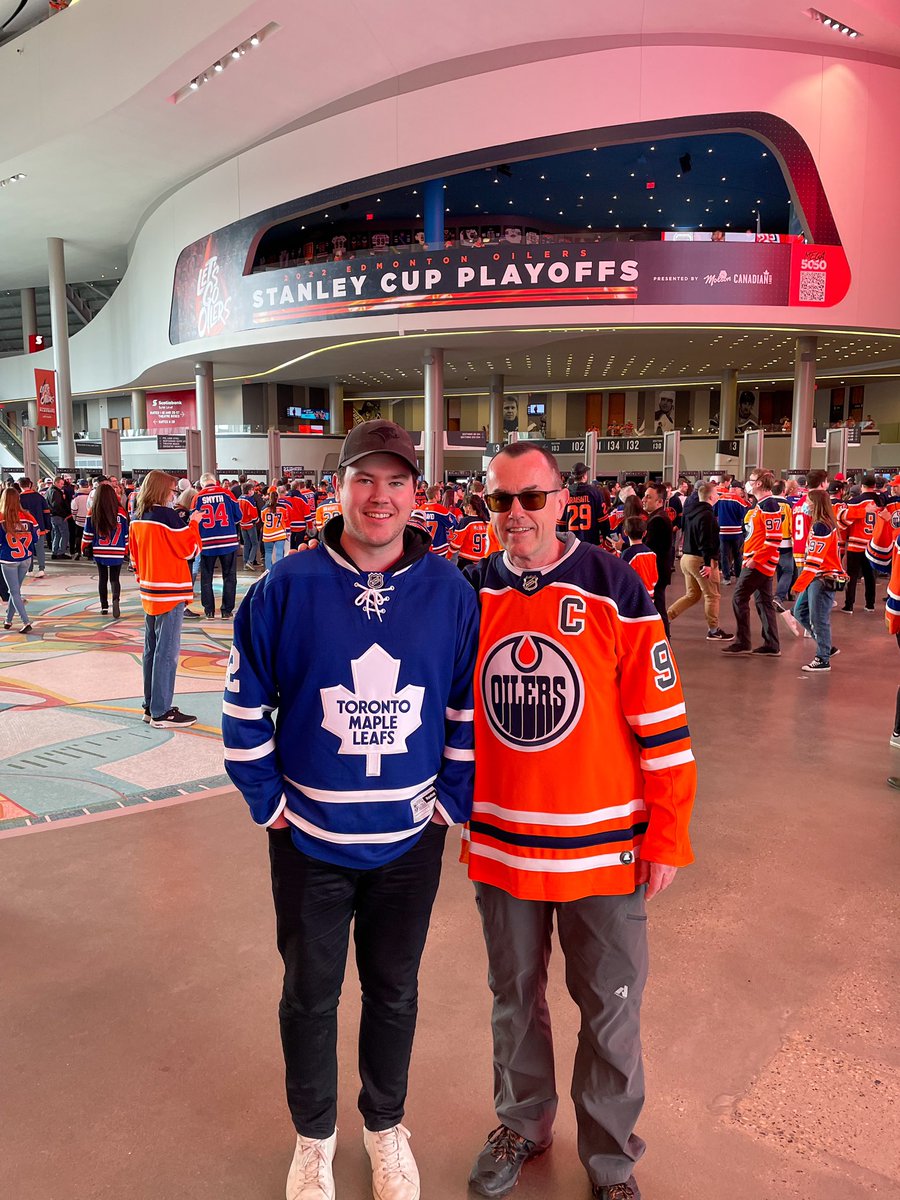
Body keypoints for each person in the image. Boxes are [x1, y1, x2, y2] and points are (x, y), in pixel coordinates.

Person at [222, 420, 479, 1200]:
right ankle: (314, 1140)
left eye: (396, 481)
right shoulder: (287, 586)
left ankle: (384, 1128)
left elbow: (465, 708)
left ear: (416, 494)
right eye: (365, 478)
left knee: (395, 991)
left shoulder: (449, 592)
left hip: (409, 842)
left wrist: (453, 804)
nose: (380, 496)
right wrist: (269, 805)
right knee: (309, 994)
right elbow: (241, 706)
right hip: (310, 843)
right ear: (337, 488)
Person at [464, 442, 695, 1200]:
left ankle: (609, 1159)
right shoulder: (470, 593)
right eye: (502, 501)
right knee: (514, 1000)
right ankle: (523, 1123)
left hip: (604, 850)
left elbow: (661, 723)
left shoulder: (613, 585)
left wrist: (665, 831)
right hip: (503, 846)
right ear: (486, 507)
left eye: (532, 498)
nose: (517, 515)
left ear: (564, 500)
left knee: (612, 1010)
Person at [130, 470, 202, 728]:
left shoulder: (137, 517)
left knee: (151, 650)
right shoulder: (168, 517)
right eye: (173, 492)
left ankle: (150, 706)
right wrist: (193, 523)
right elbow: (190, 549)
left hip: (149, 589)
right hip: (170, 590)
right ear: (163, 490)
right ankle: (161, 711)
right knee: (167, 652)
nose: (175, 496)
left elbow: (134, 558)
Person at [722, 469, 783, 657]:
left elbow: (774, 539)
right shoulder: (760, 505)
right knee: (763, 601)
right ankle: (771, 643)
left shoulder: (769, 506)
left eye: (751, 480)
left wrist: (755, 559)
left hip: (759, 562)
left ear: (758, 484)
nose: (748, 483)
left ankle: (743, 641)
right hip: (756, 559)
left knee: (739, 597)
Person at [667, 481, 733, 640]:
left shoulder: (690, 511)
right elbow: (707, 541)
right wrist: (709, 563)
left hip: (686, 558)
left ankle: (665, 617)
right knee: (712, 595)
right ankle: (714, 630)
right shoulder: (708, 515)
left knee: (693, 595)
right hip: (700, 560)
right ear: (710, 496)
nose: (718, 495)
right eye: (716, 493)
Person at [792, 490, 843, 672]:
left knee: (818, 618)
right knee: (799, 612)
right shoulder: (823, 524)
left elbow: (814, 560)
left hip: (821, 578)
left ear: (815, 504)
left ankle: (823, 658)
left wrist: (798, 585)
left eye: (808, 500)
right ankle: (826, 646)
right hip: (817, 576)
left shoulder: (821, 527)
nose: (805, 504)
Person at [191, 472, 243, 620]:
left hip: (207, 542)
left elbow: (193, 521)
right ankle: (227, 610)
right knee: (230, 576)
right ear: (215, 482)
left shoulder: (197, 498)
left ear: (202, 484)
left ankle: (209, 611)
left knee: (206, 578)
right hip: (228, 541)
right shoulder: (227, 494)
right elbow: (238, 516)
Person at [81, 481, 128, 618]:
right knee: (115, 578)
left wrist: (84, 547)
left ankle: (104, 606)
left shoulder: (93, 512)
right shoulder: (121, 512)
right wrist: (126, 549)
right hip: (117, 550)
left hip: (99, 550)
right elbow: (125, 533)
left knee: (102, 578)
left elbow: (87, 534)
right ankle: (116, 600)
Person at [839, 473, 879, 614]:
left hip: (856, 544)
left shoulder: (854, 502)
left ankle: (849, 605)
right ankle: (870, 604)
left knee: (852, 575)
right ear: (874, 486)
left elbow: (843, 522)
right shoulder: (881, 502)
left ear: (862, 486)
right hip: (874, 545)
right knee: (870, 576)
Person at [0, 485, 37, 633]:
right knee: (15, 590)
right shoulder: (28, 517)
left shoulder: (2, 517)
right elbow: (35, 538)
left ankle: (26, 621)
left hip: (8, 559)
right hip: (26, 558)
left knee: (14, 592)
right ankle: (8, 620)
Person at [641, 483, 674, 634]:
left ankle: (664, 640)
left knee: (658, 609)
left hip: (657, 572)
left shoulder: (658, 521)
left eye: (649, 497)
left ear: (659, 501)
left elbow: (649, 549)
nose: (644, 499)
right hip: (658, 571)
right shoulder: (657, 518)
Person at [561, 462, 606, 544]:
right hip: (591, 543)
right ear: (585, 475)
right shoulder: (595, 493)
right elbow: (603, 520)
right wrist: (606, 538)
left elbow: (560, 523)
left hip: (570, 544)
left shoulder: (564, 494)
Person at [412, 484, 457, 557]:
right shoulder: (441, 510)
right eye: (439, 494)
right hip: (439, 546)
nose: (440, 496)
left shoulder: (420, 509)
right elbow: (452, 525)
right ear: (436, 496)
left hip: (425, 546)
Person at [17, 477, 50, 578]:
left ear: (19, 485)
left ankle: (29, 569)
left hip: (24, 528)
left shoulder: (19, 498)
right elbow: (46, 512)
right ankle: (41, 569)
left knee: (27, 548)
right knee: (40, 549)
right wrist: (47, 526)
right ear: (30, 484)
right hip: (40, 527)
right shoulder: (39, 497)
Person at [620, 514, 657, 596]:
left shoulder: (627, 553)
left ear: (625, 532)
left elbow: (623, 577)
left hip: (635, 595)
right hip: (650, 594)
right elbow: (655, 576)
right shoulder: (652, 553)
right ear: (645, 533)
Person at [261, 488, 290, 571]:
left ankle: (268, 571)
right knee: (279, 552)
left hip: (267, 534)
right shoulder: (283, 507)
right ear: (278, 498)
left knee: (268, 553)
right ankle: (278, 571)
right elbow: (286, 518)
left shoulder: (264, 509)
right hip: (280, 533)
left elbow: (263, 520)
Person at [47, 474, 71, 558]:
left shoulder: (50, 490)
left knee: (57, 534)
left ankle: (55, 551)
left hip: (53, 516)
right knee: (64, 534)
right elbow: (56, 505)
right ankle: (61, 552)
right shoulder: (56, 492)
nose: (62, 485)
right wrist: (64, 515)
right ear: (56, 483)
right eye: (61, 483)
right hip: (59, 516)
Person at [70, 479, 91, 561]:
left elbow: (73, 509)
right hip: (89, 519)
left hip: (79, 520)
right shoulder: (91, 495)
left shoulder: (77, 497)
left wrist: (75, 518)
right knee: (90, 537)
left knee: (78, 537)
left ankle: (78, 552)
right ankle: (89, 553)